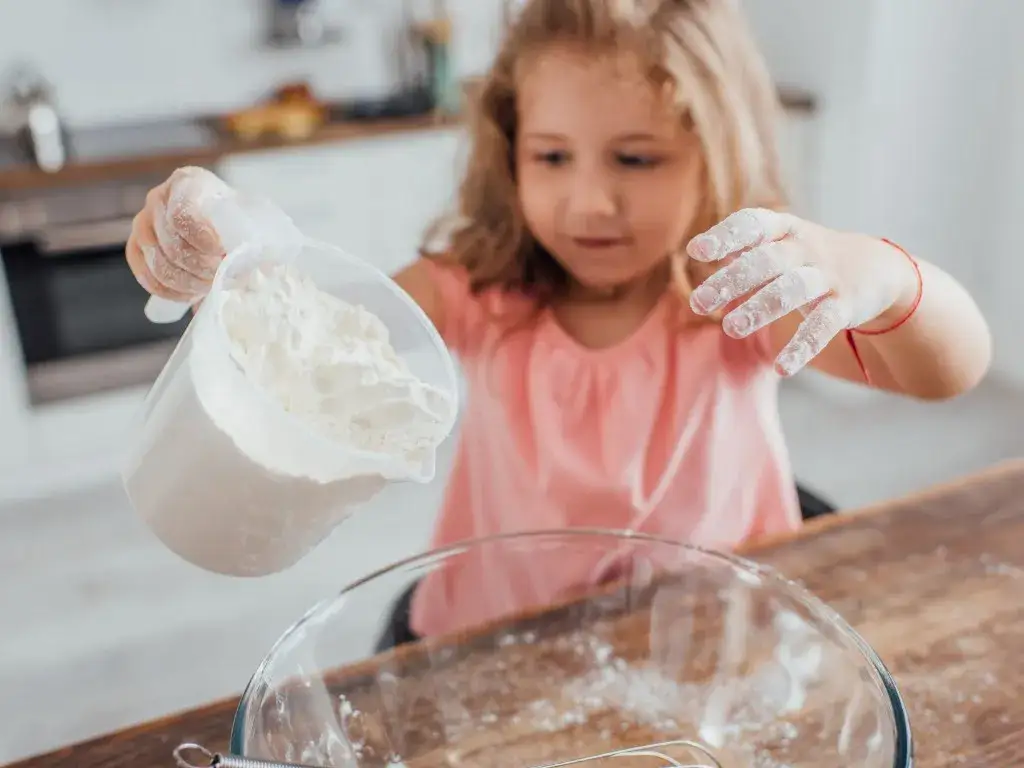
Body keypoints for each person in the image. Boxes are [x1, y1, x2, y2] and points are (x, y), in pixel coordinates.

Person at [125, 0, 991, 648]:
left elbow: (948, 371)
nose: (591, 201)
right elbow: (311, 323)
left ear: (715, 149)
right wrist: (234, 238)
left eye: (637, 157)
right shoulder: (476, 289)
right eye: (552, 157)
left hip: (707, 642)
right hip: (500, 634)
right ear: (510, 155)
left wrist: (877, 274)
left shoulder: (735, 300)